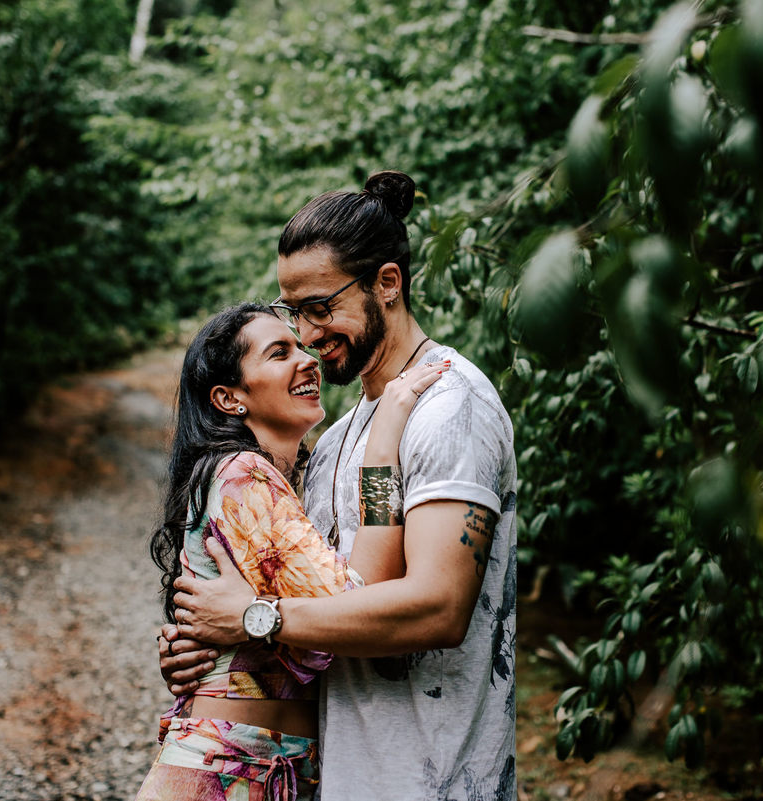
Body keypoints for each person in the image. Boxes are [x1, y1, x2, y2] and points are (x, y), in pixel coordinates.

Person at [159, 171, 518, 801]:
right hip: (340, 776)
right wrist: (212, 654)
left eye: (321, 308)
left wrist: (253, 620)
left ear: (387, 283)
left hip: (433, 781)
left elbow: (439, 607)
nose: (306, 333)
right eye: (293, 312)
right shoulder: (336, 438)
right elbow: (337, 596)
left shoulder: (451, 406)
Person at [135, 301, 448, 801]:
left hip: (279, 767)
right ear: (230, 398)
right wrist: (384, 440)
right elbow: (358, 598)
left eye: (300, 346)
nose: (307, 360)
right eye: (279, 353)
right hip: (226, 768)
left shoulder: (287, 479)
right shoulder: (240, 474)